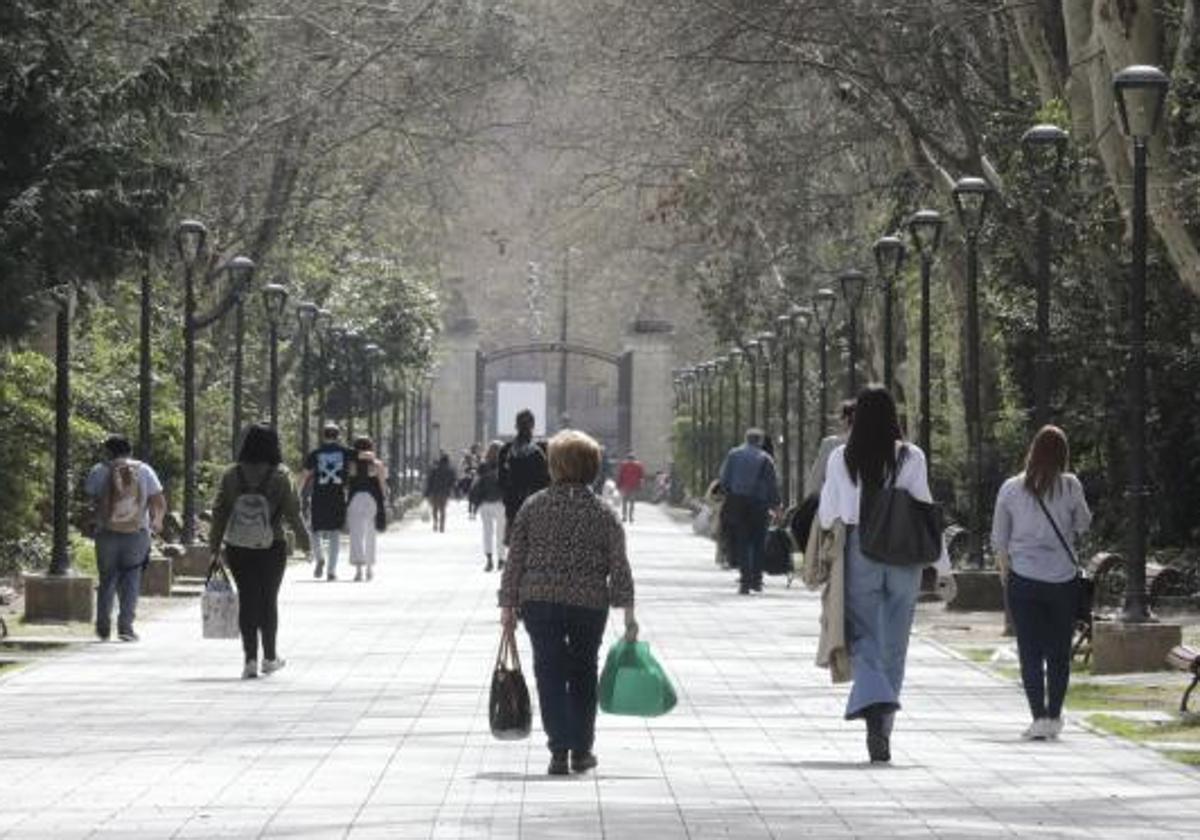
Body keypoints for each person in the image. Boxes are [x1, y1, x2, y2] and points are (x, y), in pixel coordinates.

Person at [499, 429, 637, 776]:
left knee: (548, 670)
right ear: (592, 466)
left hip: (540, 600)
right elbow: (619, 564)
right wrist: (629, 613)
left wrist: (507, 604)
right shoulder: (604, 512)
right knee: (583, 672)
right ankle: (582, 748)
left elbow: (515, 559)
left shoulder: (534, 506)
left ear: (554, 466)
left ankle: (558, 749)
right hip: (588, 602)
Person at [817, 386, 933, 763]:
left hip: (860, 552)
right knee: (896, 645)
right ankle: (883, 727)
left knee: (864, 636)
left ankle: (872, 707)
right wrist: (942, 567)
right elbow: (925, 509)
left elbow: (827, 512)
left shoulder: (841, 458)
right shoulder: (911, 456)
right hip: (904, 557)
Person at [991, 425, 1092, 741]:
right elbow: (1084, 524)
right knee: (1059, 652)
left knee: (1030, 651)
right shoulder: (1071, 486)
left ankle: (1038, 717)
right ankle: (1055, 715)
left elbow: (999, 540)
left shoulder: (1010, 488)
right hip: (1062, 579)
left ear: (1032, 450)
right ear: (1064, 455)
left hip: (1023, 578)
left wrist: (1006, 576)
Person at [210, 424, 309, 679]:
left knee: (247, 598)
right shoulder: (281, 475)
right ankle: (270, 657)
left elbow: (220, 512)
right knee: (268, 600)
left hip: (238, 546)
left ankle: (249, 660)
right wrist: (306, 543)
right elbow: (293, 513)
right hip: (272, 545)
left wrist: (214, 547)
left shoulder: (231, 475)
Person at [83, 434, 166, 642]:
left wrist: (92, 523)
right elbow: (158, 500)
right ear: (130, 450)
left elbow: (91, 502)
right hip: (137, 532)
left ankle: (103, 626)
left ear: (108, 451)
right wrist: (157, 521)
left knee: (107, 578)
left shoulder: (99, 470)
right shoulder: (144, 470)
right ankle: (126, 628)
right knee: (131, 578)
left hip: (106, 532)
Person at [718, 428, 781, 594]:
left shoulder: (734, 454)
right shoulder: (765, 458)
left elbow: (724, 479)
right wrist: (776, 505)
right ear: (760, 441)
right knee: (759, 542)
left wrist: (730, 493)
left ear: (746, 439)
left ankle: (745, 581)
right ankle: (757, 580)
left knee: (742, 542)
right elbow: (772, 484)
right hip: (759, 504)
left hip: (738, 503)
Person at [300, 422, 352, 581]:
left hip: (319, 496)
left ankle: (319, 557)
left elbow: (305, 475)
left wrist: (298, 492)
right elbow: (361, 456)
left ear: (323, 436)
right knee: (334, 532)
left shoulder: (315, 453)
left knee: (315, 529)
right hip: (337, 496)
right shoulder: (345, 452)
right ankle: (331, 571)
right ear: (338, 436)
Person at [498, 409, 550, 534]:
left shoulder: (506, 450)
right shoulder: (541, 450)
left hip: (513, 506)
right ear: (533, 426)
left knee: (516, 547)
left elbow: (501, 480)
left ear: (516, 426)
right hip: (537, 506)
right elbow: (547, 480)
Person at [347, 436, 388, 581]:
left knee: (356, 535)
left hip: (355, 498)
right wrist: (384, 499)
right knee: (371, 533)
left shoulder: (351, 464)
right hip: (372, 499)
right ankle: (369, 569)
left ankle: (358, 570)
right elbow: (382, 485)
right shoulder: (377, 464)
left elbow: (348, 482)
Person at [805, 399, 856, 498]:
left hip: (834, 505)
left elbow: (816, 480)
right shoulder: (871, 447)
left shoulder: (831, 444)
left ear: (845, 420)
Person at [470, 441, 506, 572]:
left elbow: (475, 484)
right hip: (501, 503)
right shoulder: (506, 465)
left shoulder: (483, 466)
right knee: (501, 533)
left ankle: (489, 559)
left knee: (487, 532)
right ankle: (501, 560)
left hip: (485, 503)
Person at [424, 451, 457, 533]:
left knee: (435, 508)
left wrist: (427, 492)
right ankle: (442, 525)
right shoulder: (450, 470)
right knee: (442, 509)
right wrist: (453, 491)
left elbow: (429, 481)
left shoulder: (434, 470)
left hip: (435, 492)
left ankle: (435, 522)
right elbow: (453, 482)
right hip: (444, 492)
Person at [615, 452, 646, 523]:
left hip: (625, 486)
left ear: (627, 458)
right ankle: (631, 517)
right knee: (632, 502)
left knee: (624, 501)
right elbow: (641, 477)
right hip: (634, 486)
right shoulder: (639, 465)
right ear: (634, 458)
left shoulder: (623, 464)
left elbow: (620, 475)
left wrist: (618, 485)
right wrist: (641, 485)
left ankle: (624, 516)